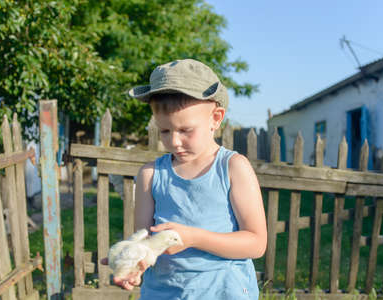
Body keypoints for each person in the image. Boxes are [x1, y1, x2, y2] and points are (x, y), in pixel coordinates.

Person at [110, 59, 267, 299]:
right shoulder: (150, 175)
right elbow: (144, 243)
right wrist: (133, 265)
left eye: (185, 131)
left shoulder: (233, 168)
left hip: (224, 291)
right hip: (164, 293)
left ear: (215, 118)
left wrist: (193, 238)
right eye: (165, 131)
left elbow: (256, 243)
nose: (174, 141)